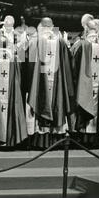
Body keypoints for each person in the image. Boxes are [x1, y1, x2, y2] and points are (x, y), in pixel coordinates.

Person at [28, 17, 74, 148]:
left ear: (40, 26)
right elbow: (67, 63)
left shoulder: (35, 41)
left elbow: (28, 64)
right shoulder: (60, 41)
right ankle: (56, 141)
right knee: (56, 103)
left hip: (40, 83)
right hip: (57, 84)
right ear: (52, 26)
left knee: (39, 100)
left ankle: (39, 142)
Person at [70, 20, 99, 145]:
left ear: (86, 30)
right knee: (98, 103)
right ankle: (96, 138)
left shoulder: (80, 45)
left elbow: (72, 65)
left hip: (83, 86)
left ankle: (82, 137)